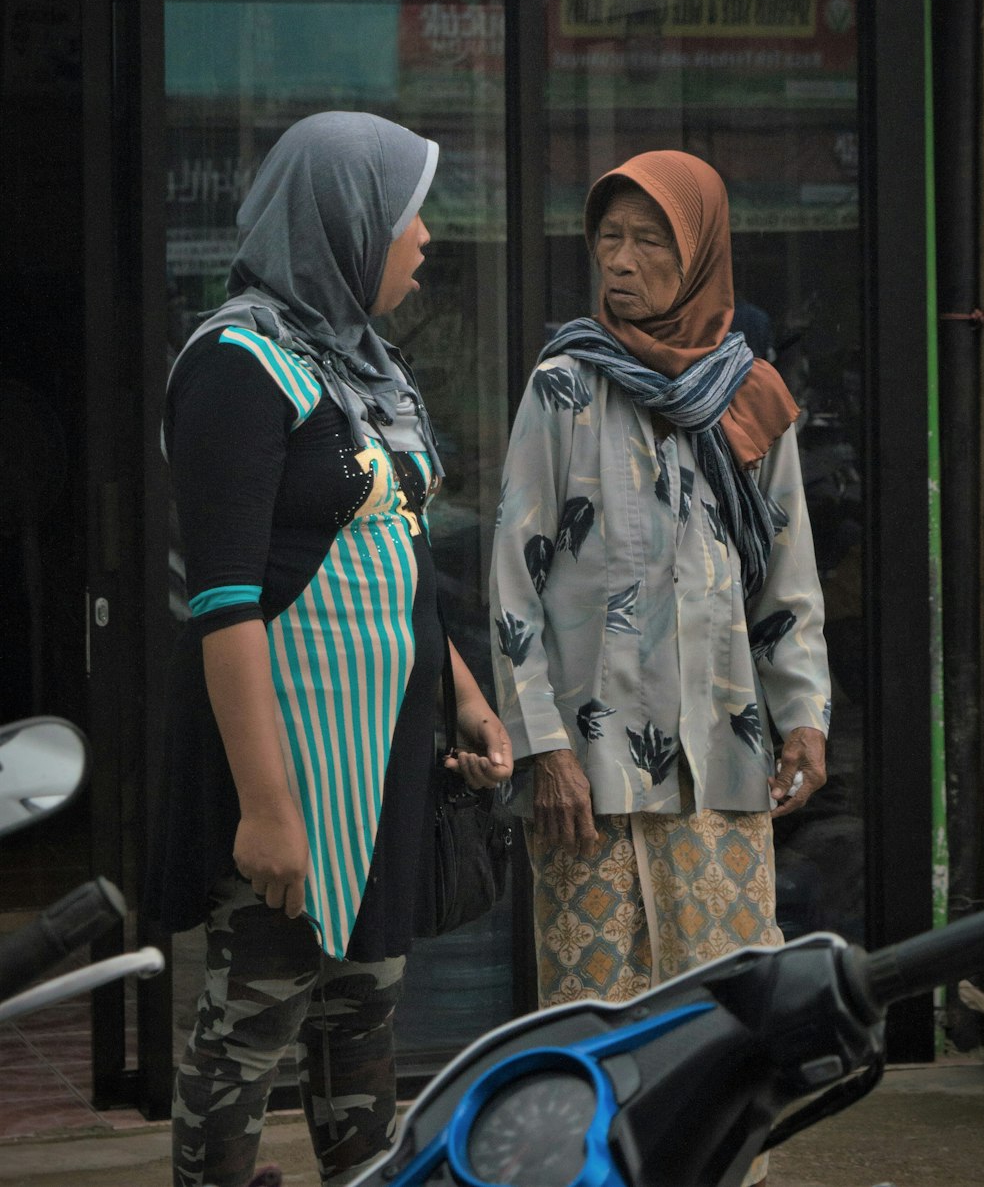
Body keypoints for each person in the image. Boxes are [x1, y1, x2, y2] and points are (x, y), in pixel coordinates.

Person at [145, 112, 512, 1187]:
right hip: (294, 773)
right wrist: (266, 807)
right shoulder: (236, 366)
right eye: (407, 213)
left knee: (364, 1028)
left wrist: (469, 699)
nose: (425, 235)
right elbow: (225, 603)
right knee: (248, 1031)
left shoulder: (364, 366)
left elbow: (396, 551)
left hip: (381, 764)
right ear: (346, 222)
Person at [490, 150, 829, 1187]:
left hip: (723, 777)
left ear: (700, 256)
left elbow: (788, 584)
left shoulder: (753, 399)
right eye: (609, 239)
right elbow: (513, 579)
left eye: (650, 241)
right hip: (587, 787)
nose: (623, 263)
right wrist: (544, 744)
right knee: (592, 1043)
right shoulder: (563, 388)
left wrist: (805, 715)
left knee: (724, 1032)